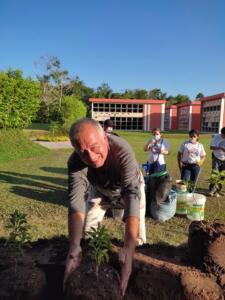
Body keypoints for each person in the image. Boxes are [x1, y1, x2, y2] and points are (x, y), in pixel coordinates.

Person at [64, 118, 146, 296]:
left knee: (137, 237)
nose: (91, 158)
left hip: (129, 186)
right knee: (88, 232)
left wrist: (128, 248)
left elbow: (131, 195)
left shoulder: (122, 151)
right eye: (82, 152)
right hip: (100, 188)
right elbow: (76, 201)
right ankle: (91, 263)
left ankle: (136, 267)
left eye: (94, 147)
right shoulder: (75, 162)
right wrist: (73, 248)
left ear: (105, 138)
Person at [208, 127, 225, 196]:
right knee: (214, 173)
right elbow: (211, 147)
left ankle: (219, 190)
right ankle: (211, 190)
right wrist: (220, 148)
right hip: (216, 157)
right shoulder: (216, 137)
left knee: (222, 175)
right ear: (222, 133)